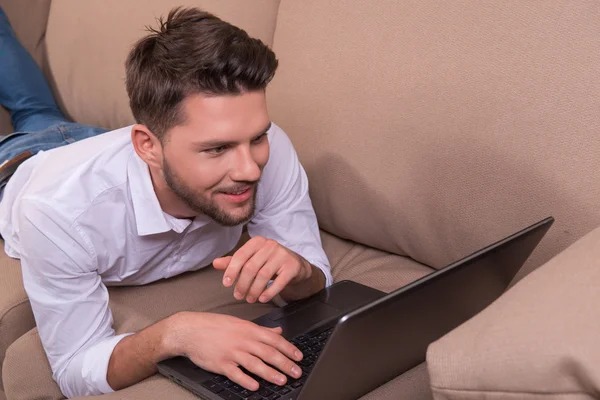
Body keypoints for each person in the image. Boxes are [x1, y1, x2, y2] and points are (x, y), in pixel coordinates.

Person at [0, 6, 333, 398]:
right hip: (16, 166)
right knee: (32, 114)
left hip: (93, 139)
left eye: (256, 138)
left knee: (39, 111)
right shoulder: (55, 212)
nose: (251, 169)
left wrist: (300, 271)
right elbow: (74, 368)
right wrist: (174, 334)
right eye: (218, 148)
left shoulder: (269, 147)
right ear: (148, 147)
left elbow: (316, 280)